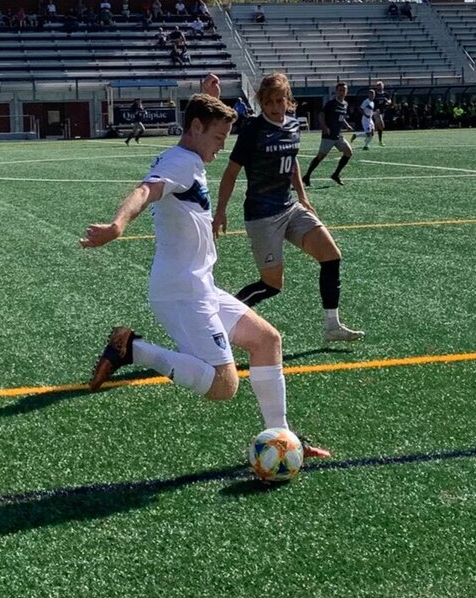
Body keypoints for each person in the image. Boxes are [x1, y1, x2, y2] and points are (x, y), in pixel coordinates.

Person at [79, 92, 331, 460]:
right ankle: (133, 348)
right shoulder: (180, 162)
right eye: (217, 139)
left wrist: (209, 94)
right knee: (223, 385)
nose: (220, 149)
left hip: (200, 286)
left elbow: (200, 125)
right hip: (180, 293)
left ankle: (282, 439)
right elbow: (145, 190)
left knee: (267, 340)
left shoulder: (190, 157)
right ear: (196, 128)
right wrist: (118, 225)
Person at [212, 73, 364, 343]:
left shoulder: (293, 125)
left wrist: (303, 197)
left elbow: (291, 162)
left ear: (288, 101)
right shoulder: (252, 130)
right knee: (272, 284)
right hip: (262, 216)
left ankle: (332, 325)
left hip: (290, 208)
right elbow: (231, 172)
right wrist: (221, 210)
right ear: (262, 102)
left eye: (280, 100)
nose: (275, 106)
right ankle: (218, 320)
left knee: (331, 255)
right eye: (270, 101)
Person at [301, 81, 356, 186]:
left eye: (344, 90)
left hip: (338, 135)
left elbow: (341, 117)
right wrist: (325, 127)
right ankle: (307, 176)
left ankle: (336, 175)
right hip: (329, 135)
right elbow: (321, 115)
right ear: (336, 91)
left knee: (348, 152)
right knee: (320, 157)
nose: (342, 92)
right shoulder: (331, 103)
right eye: (340, 90)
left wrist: (347, 125)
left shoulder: (345, 104)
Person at [372, 80, 393, 146]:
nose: (380, 87)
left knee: (376, 128)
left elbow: (389, 100)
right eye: (378, 86)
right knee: (381, 126)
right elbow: (371, 101)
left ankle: (360, 136)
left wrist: (389, 102)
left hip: (382, 111)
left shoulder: (385, 94)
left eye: (381, 86)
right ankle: (380, 141)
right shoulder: (375, 94)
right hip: (376, 112)